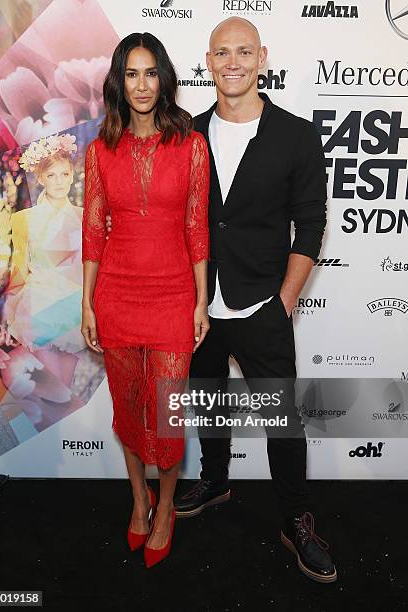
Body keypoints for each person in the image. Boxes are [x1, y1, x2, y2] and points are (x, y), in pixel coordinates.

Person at [171, 17, 337, 583]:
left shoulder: (295, 135)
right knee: (207, 399)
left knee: (283, 422)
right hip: (198, 306)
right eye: (223, 53)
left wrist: (284, 301)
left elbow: (311, 224)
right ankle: (216, 479)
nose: (233, 62)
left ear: (262, 57)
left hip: (262, 304)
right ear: (209, 61)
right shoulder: (187, 134)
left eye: (244, 52)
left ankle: (296, 520)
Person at [81, 32, 210, 569]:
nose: (141, 84)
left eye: (150, 72)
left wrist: (201, 302)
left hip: (173, 295)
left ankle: (165, 513)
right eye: (131, 74)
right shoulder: (99, 149)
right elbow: (92, 233)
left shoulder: (190, 145)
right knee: (129, 408)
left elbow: (196, 227)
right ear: (119, 80)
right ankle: (138, 502)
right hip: (116, 295)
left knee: (166, 413)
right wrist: (87, 304)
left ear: (164, 78)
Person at [4, 135, 87, 370]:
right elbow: (19, 266)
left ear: (72, 175)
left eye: (64, 174)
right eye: (51, 175)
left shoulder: (85, 217)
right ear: (40, 178)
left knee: (68, 377)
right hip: (40, 306)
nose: (59, 182)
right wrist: (11, 311)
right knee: (46, 382)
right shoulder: (23, 219)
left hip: (77, 307)